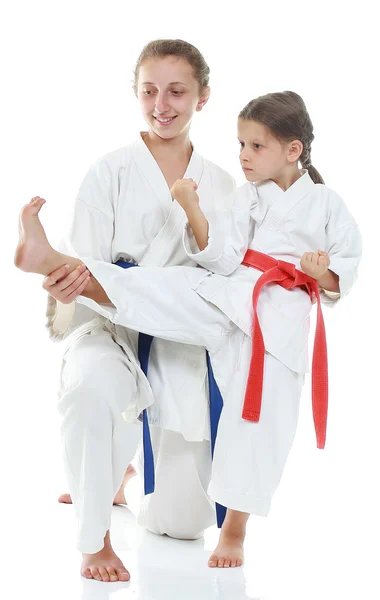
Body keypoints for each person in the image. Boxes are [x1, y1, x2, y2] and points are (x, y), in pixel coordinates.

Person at [15, 91, 362, 567]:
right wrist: (192, 209)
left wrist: (319, 269)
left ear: (293, 150)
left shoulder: (326, 204)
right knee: (162, 285)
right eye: (240, 144)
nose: (242, 155)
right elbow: (219, 256)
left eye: (255, 146)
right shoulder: (245, 197)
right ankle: (54, 260)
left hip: (274, 325)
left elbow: (344, 270)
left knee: (256, 426)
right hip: (227, 292)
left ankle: (234, 530)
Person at [15, 39, 236, 582]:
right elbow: (86, 271)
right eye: (149, 91)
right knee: (91, 389)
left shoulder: (225, 184)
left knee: (183, 524)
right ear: (136, 95)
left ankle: (121, 466)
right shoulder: (109, 171)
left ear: (202, 97)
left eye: (177, 91)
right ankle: (96, 538)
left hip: (182, 338)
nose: (162, 104)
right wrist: (70, 284)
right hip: (109, 328)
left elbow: (222, 282)